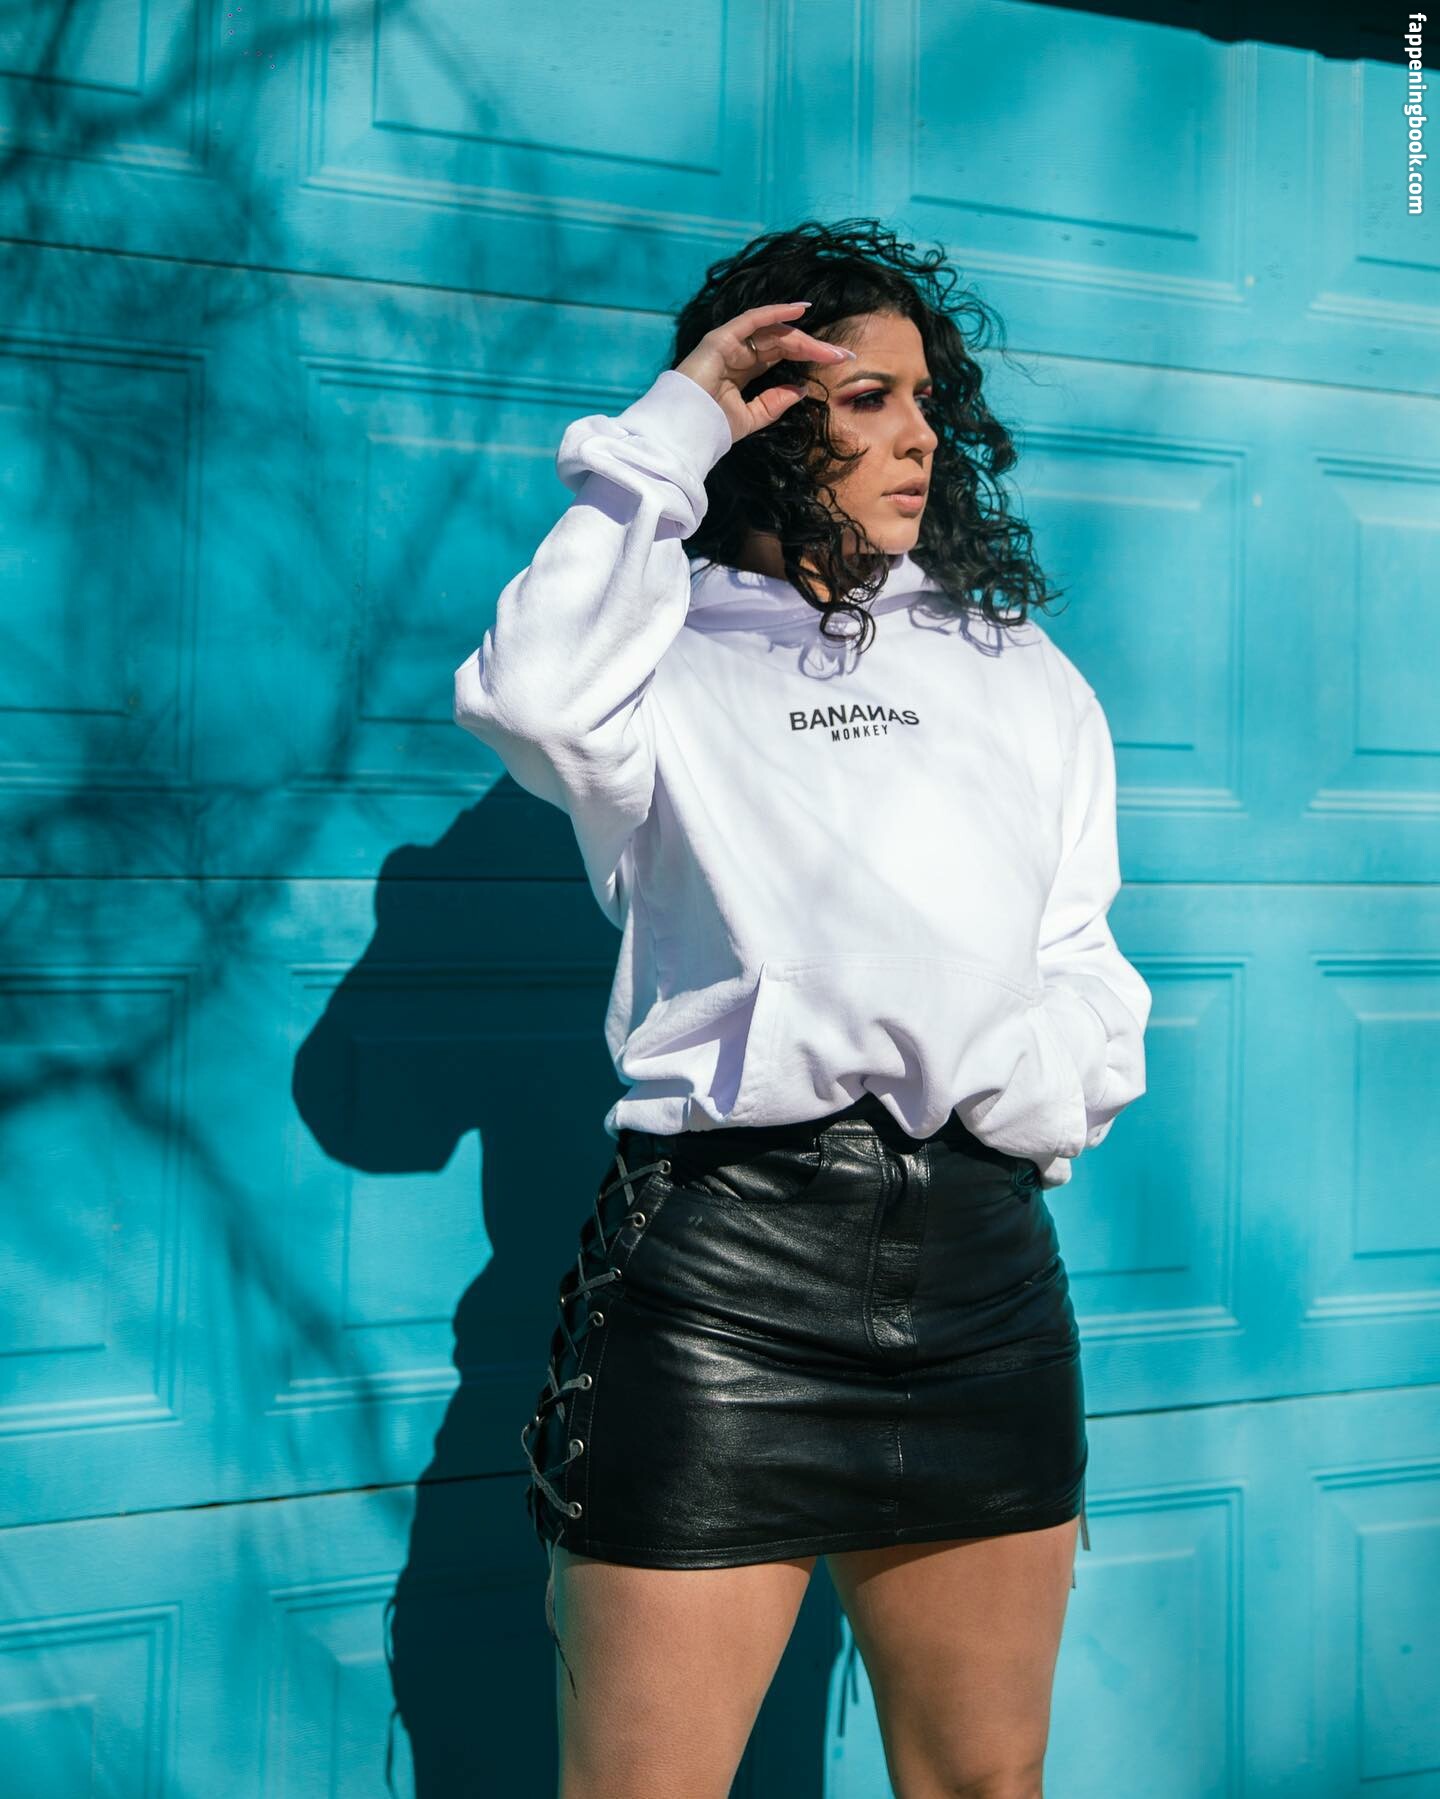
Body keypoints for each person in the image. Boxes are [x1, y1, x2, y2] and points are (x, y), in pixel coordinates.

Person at [453, 218, 1151, 1799]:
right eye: (869, 399)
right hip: (724, 1289)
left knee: (984, 1786)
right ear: (770, 421)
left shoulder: (1016, 666)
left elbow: (1080, 951)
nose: (921, 438)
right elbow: (526, 693)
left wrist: (1028, 1093)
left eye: (930, 404)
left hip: (983, 1284)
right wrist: (677, 420)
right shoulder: (657, 652)